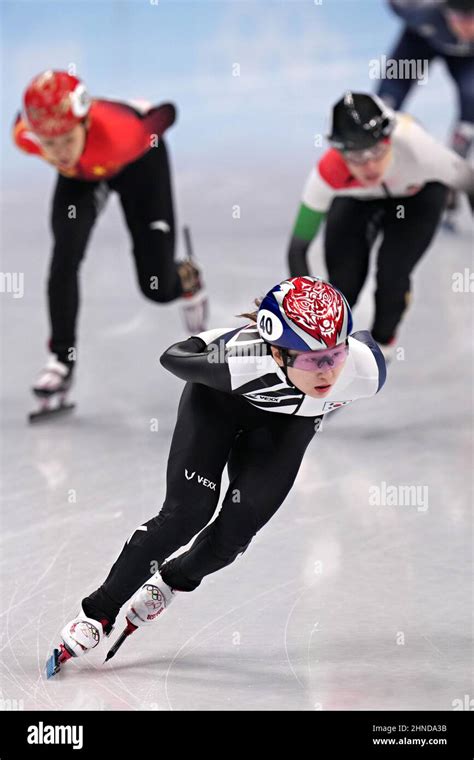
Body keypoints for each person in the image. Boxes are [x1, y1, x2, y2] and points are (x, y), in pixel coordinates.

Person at [46, 275, 386, 676]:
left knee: (235, 534)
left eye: (335, 353)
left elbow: (363, 341)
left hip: (284, 430)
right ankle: (99, 613)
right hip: (217, 408)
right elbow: (174, 356)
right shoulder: (241, 362)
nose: (328, 370)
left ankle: (171, 581)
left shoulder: (365, 370)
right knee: (187, 515)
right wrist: (224, 340)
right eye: (313, 360)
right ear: (277, 353)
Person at [13, 70, 207, 409]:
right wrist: (70, 146)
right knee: (64, 258)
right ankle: (61, 361)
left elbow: (167, 113)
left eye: (66, 140)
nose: (59, 153)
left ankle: (188, 277)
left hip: (139, 164)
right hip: (83, 177)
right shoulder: (26, 135)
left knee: (156, 287)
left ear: (85, 123)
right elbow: (54, 139)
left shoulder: (127, 135)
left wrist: (142, 114)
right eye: (50, 144)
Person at [287, 91, 474, 361]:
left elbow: (469, 181)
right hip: (358, 200)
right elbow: (297, 250)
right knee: (343, 285)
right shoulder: (329, 172)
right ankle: (329, 342)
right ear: (339, 152)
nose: (370, 165)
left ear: (389, 139)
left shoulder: (417, 146)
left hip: (418, 196)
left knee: (392, 274)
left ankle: (383, 342)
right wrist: (307, 322)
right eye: (356, 157)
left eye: (376, 151)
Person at [377, 0, 474, 228]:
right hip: (421, 41)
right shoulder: (417, 9)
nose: (467, 28)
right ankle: (370, 178)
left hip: (469, 61)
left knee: (472, 103)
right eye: (461, 20)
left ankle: (450, 182)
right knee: (384, 107)